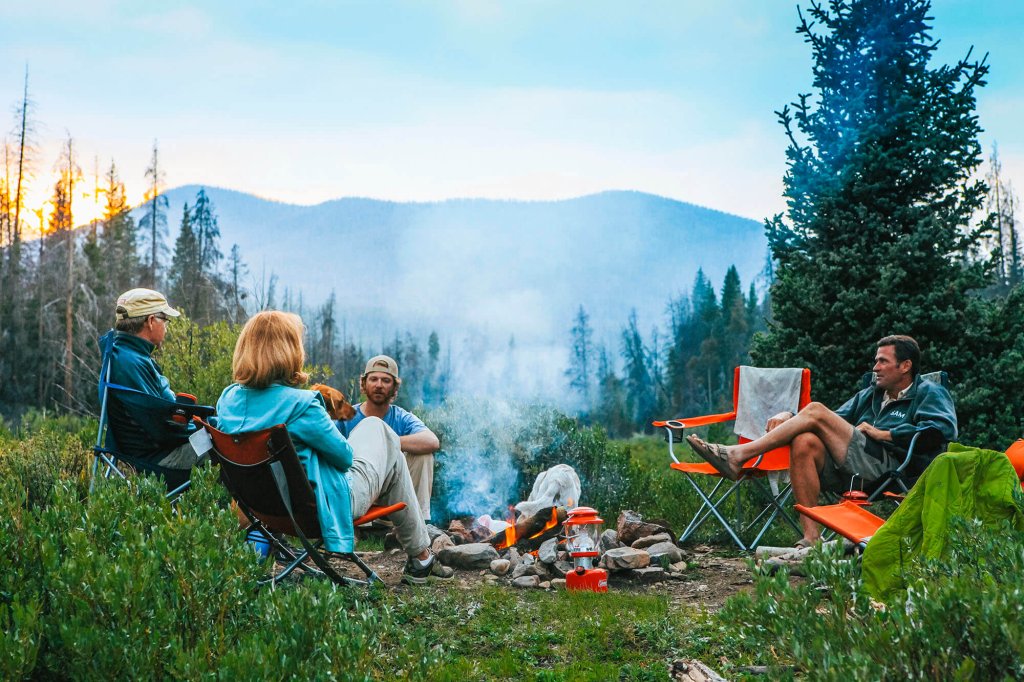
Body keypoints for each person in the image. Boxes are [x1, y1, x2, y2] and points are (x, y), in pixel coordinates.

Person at [213, 311, 453, 585]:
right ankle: (421, 556)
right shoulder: (301, 404)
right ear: (288, 351)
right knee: (382, 432)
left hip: (263, 505)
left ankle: (418, 553)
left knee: (382, 436)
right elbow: (343, 457)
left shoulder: (228, 399)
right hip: (315, 507)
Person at [687, 335, 957, 546]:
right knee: (804, 440)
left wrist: (886, 434)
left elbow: (942, 430)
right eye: (875, 361)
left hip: (893, 467)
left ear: (906, 366)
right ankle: (811, 538)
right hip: (855, 466)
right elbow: (830, 419)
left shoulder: (929, 392)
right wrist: (789, 414)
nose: (875, 368)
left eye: (883, 361)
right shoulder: (871, 394)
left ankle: (738, 455)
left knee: (815, 409)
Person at [102, 287, 200, 471]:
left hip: (149, 453)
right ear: (151, 321)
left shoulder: (123, 355)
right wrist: (205, 428)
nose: (167, 326)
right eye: (165, 320)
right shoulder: (131, 362)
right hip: (160, 459)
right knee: (229, 446)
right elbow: (162, 428)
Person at [337, 355, 441, 522]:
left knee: (423, 455)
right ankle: (352, 523)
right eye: (373, 379)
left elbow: (432, 441)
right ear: (364, 384)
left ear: (394, 388)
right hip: (358, 490)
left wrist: (387, 443)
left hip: (392, 492)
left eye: (386, 380)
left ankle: (416, 522)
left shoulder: (401, 417)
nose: (379, 385)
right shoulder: (346, 417)